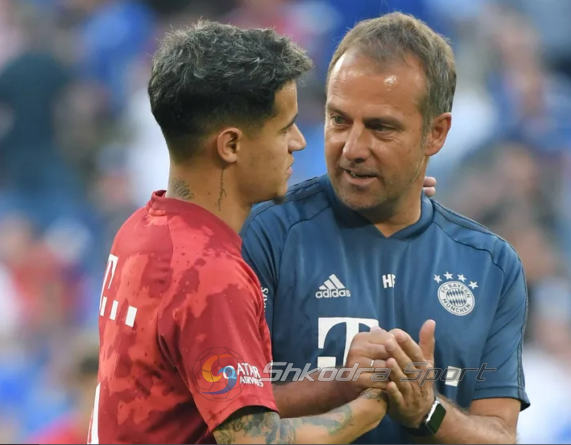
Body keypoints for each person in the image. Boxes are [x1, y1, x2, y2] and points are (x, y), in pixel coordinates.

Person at [88, 20, 389, 444]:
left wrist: (341, 382)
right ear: (230, 145)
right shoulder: (210, 274)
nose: (298, 142)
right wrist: (368, 411)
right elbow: (254, 439)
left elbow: (203, 405)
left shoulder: (137, 231)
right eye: (284, 127)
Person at [241, 12, 530, 444]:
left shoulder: (491, 265)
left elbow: (500, 435)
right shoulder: (267, 235)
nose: (352, 148)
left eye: (380, 127)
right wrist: (339, 384)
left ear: (436, 133)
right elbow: (223, 412)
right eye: (339, 120)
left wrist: (426, 410)